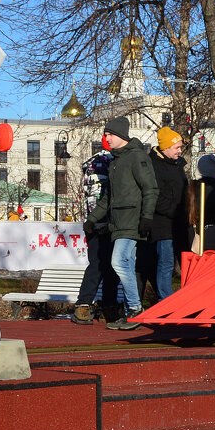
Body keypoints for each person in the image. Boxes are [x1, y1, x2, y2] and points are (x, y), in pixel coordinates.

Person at [85, 116, 158, 331]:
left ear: (120, 136)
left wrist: (147, 217)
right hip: (119, 223)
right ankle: (131, 311)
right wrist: (92, 219)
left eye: (109, 134)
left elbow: (150, 189)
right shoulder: (116, 161)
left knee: (118, 262)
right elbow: (108, 197)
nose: (106, 138)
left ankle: (135, 309)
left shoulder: (137, 158)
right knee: (125, 264)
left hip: (132, 222)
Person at [72, 145, 120, 325]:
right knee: (103, 266)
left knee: (100, 265)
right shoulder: (105, 163)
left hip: (95, 222)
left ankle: (87, 304)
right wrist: (101, 222)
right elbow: (98, 197)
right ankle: (99, 304)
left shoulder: (94, 164)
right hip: (103, 223)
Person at [140, 126, 188, 301]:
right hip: (163, 223)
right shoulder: (154, 166)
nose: (180, 151)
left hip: (179, 221)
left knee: (185, 261)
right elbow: (157, 197)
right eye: (177, 147)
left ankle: (186, 298)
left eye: (180, 147)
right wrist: (176, 211)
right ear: (166, 147)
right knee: (166, 262)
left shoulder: (177, 165)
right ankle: (165, 299)